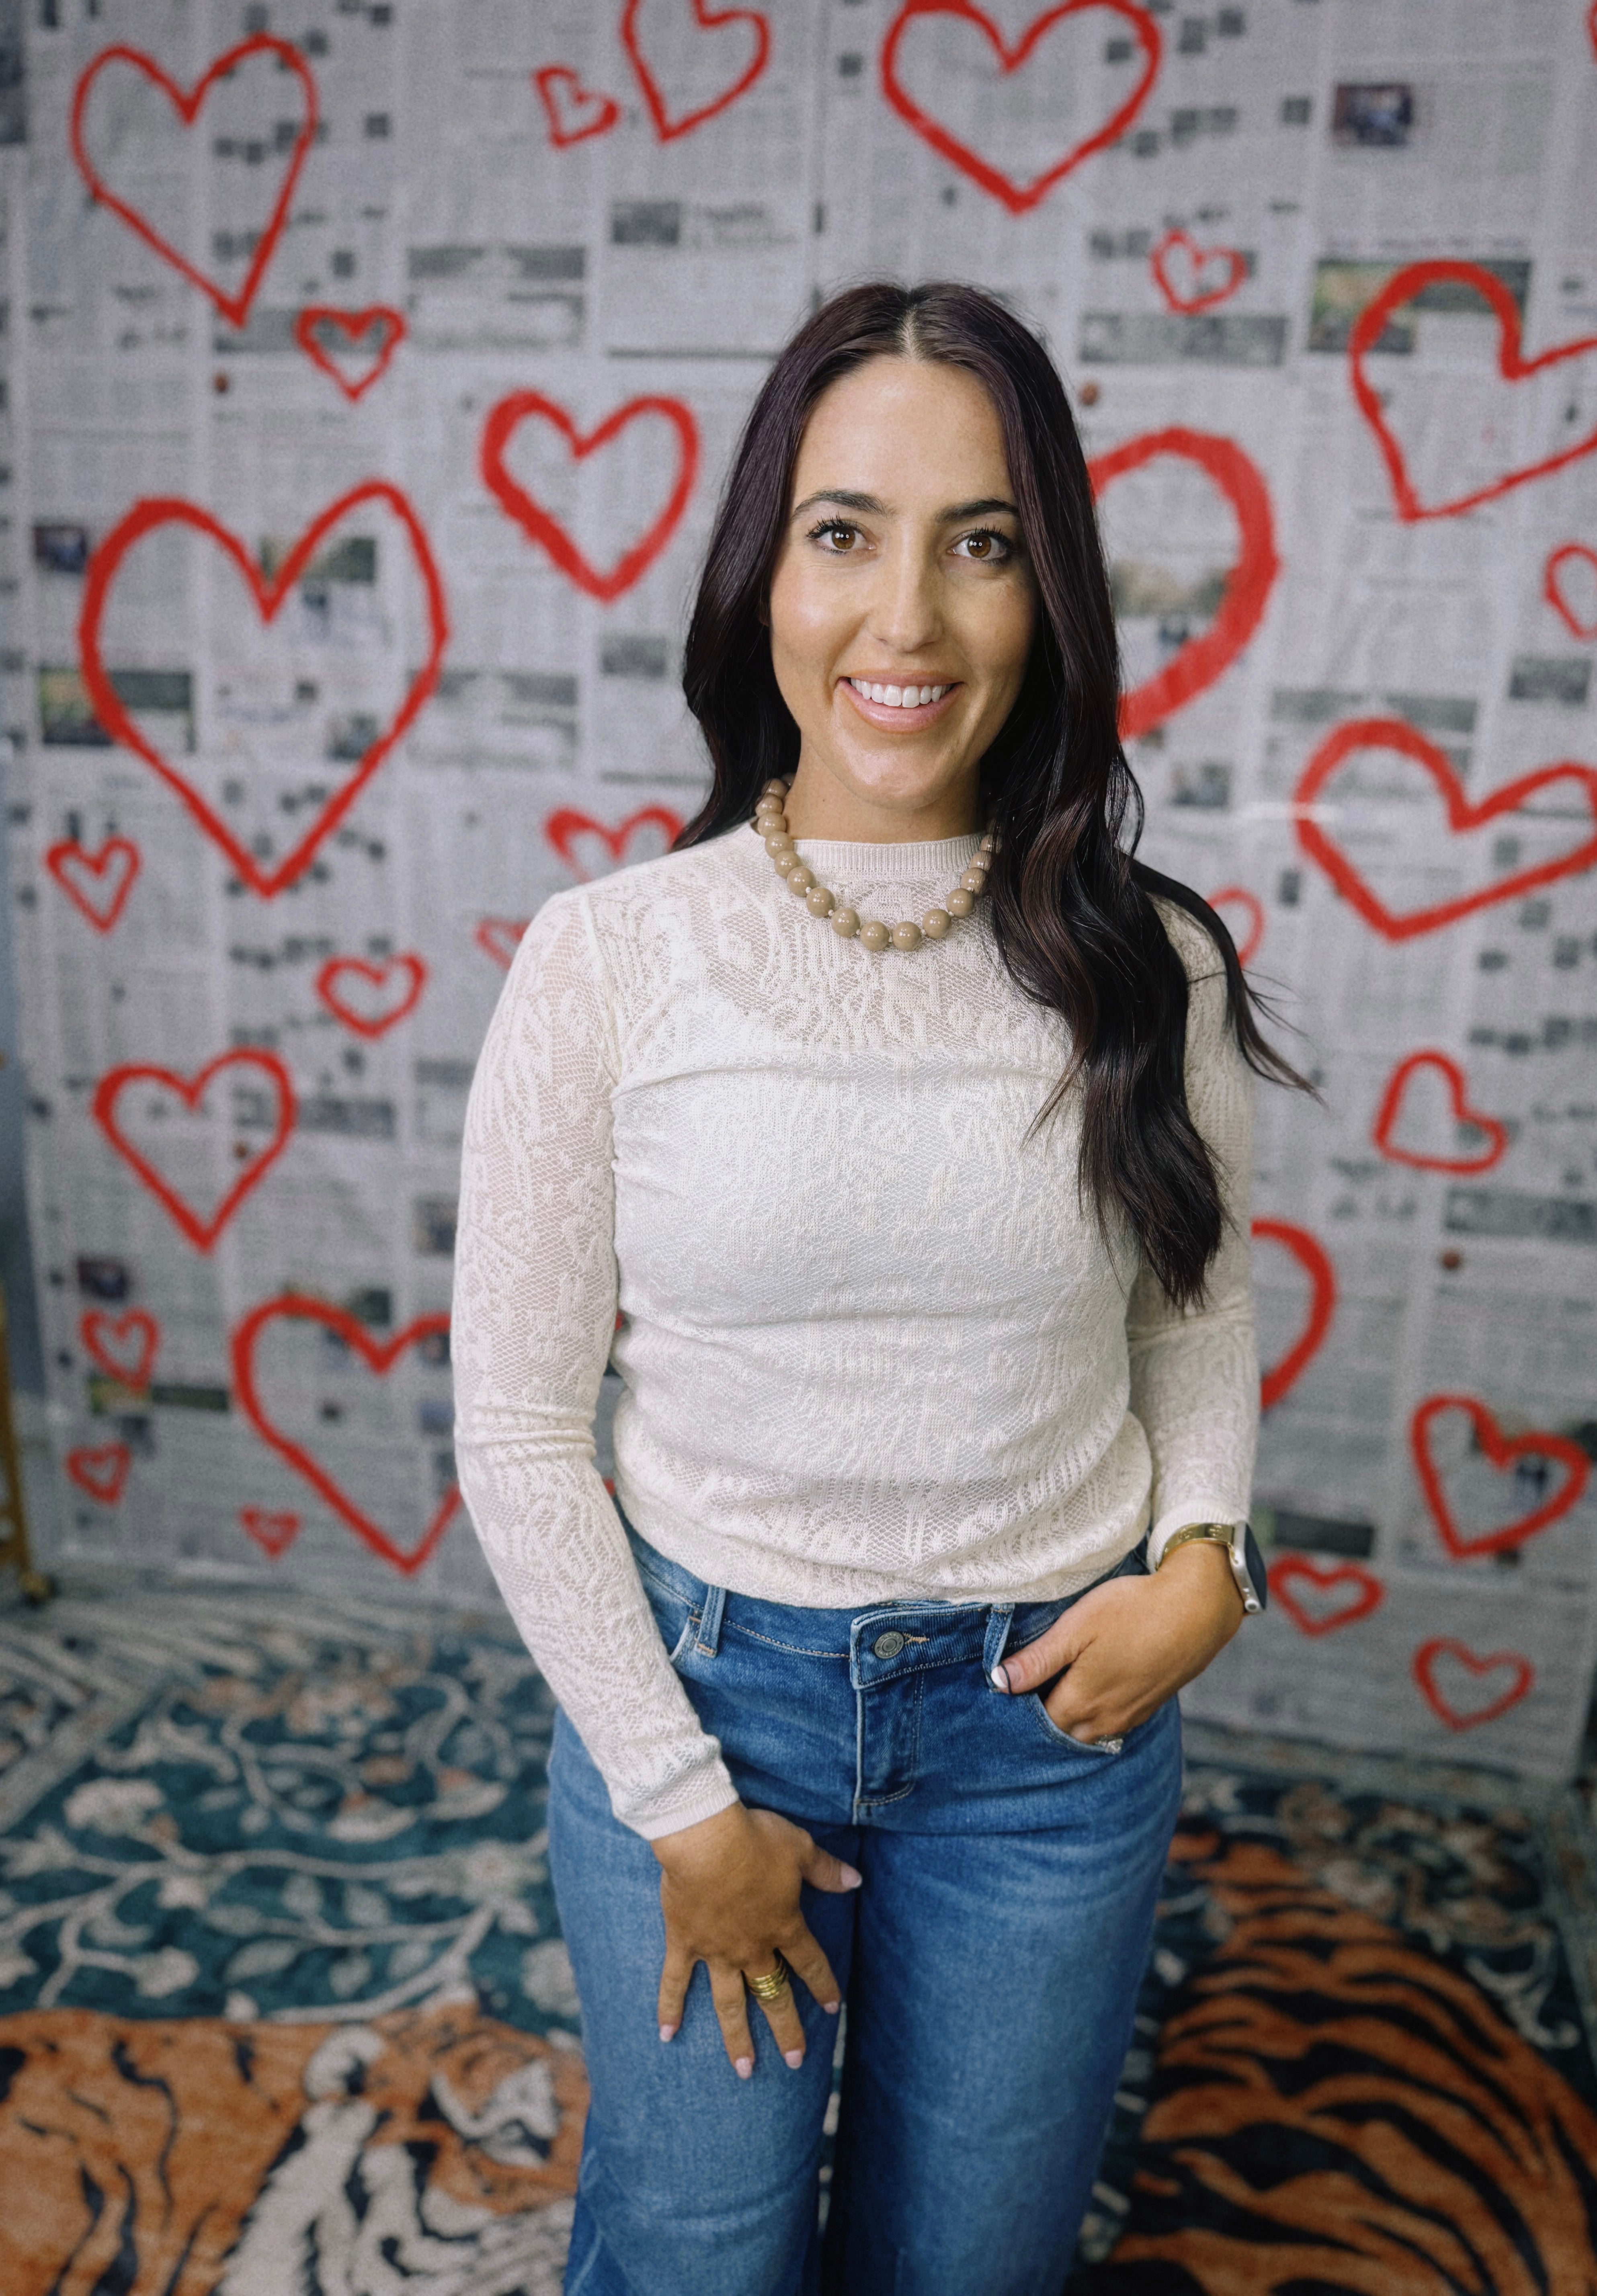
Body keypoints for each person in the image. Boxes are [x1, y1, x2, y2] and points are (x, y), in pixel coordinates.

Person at [452, 280, 1301, 2296]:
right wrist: (682, 1805)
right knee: (699, 2254)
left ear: (1049, 593)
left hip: (1047, 1740)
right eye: (844, 533)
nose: (905, 619)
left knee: (973, 2264)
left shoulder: (1150, 961)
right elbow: (517, 1425)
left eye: (979, 544)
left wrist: (1208, 1557)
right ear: (765, 569)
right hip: (707, 1707)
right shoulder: (610, 957)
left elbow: (1187, 1314)